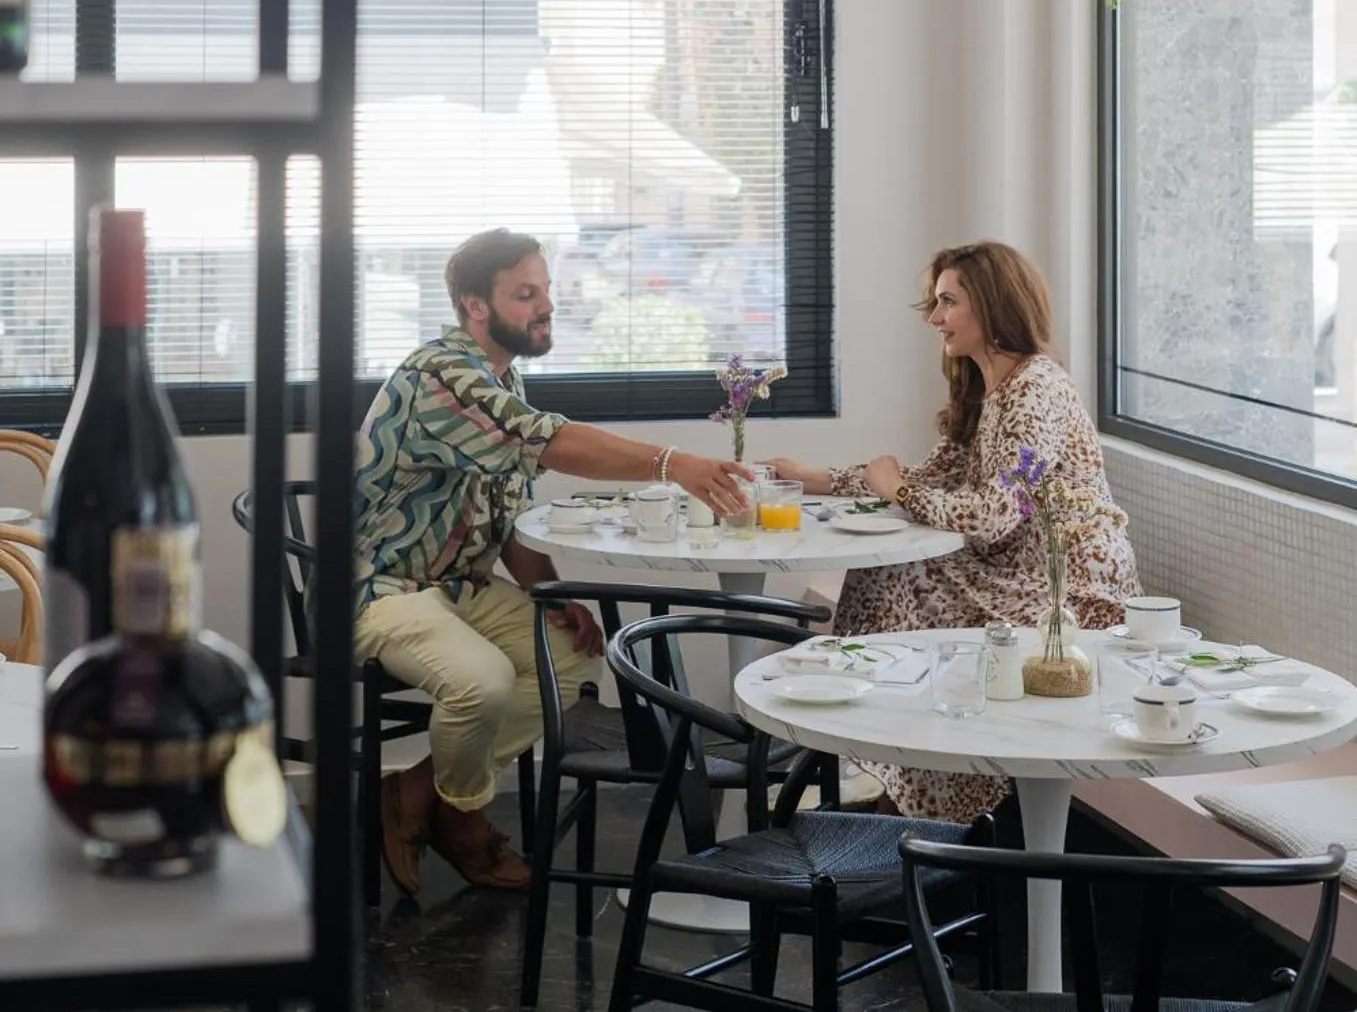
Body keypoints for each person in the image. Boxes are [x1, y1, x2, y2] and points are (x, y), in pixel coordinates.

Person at [354, 226, 752, 896]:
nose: (545, 306)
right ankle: (465, 818)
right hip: (380, 587)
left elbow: (505, 522)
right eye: (525, 294)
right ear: (474, 305)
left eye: (545, 291)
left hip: (459, 586)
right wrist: (671, 464)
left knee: (568, 659)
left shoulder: (500, 379)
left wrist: (551, 595)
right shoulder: (442, 377)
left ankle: (425, 794)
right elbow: (549, 442)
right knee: (481, 683)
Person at [770, 239, 1141, 822]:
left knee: (897, 575)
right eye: (935, 303)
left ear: (992, 307)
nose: (936, 318)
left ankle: (910, 784)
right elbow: (926, 476)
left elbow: (993, 513)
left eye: (948, 302)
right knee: (885, 570)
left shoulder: (1036, 389)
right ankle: (884, 756)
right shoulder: (988, 385)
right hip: (1009, 568)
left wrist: (895, 490)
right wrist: (813, 478)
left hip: (1066, 593)